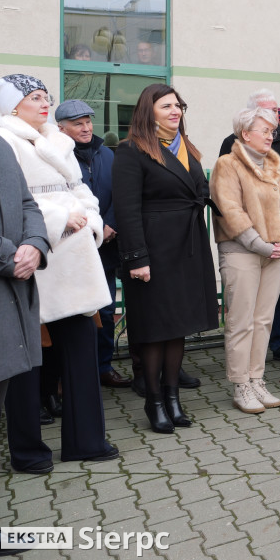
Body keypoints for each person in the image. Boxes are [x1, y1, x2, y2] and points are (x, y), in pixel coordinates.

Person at [0, 75, 118, 471]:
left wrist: (91, 220)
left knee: (81, 346)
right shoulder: (4, 140)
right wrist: (63, 219)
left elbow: (80, 189)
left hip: (76, 256)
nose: (45, 103)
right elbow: (14, 203)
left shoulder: (57, 139)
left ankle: (87, 441)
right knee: (25, 358)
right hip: (34, 256)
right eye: (34, 97)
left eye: (46, 96)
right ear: (13, 105)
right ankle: (28, 452)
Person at [113, 84, 219, 433]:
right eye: (167, 106)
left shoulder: (187, 148)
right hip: (154, 252)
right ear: (149, 110)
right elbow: (126, 211)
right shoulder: (131, 150)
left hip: (186, 248)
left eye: (179, 106)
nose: (176, 111)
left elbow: (198, 190)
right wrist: (136, 258)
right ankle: (154, 401)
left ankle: (173, 399)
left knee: (179, 328)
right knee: (157, 329)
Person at [211, 107, 280, 414]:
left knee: (263, 320)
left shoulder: (275, 165)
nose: (271, 136)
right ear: (245, 134)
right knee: (241, 322)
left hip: (275, 253)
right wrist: (260, 244)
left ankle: (257, 379)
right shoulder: (228, 165)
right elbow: (229, 210)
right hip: (242, 252)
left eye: (272, 131)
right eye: (265, 131)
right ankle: (241, 386)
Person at [0, 125, 48, 558]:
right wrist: (7, 256)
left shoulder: (0, 144)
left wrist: (35, 244)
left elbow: (29, 203)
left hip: (9, 299)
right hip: (1, 279)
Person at [219, 89, 280, 365]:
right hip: (246, 242)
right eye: (268, 111)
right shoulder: (230, 147)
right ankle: (245, 368)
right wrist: (257, 241)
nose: (275, 116)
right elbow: (229, 201)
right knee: (245, 308)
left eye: (276, 110)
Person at [54, 99, 130, 388]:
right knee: (73, 312)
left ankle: (102, 367)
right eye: (78, 124)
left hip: (105, 248)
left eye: (88, 122)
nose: (86, 128)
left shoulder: (107, 155)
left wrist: (110, 224)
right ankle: (68, 375)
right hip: (70, 248)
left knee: (106, 308)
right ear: (61, 128)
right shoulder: (55, 157)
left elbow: (120, 193)